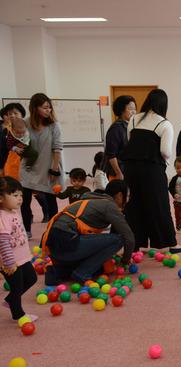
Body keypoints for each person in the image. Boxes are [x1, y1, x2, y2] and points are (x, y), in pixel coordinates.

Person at [121, 89, 181, 253]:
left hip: (130, 168)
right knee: (159, 205)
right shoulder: (164, 124)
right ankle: (169, 243)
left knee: (133, 205)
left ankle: (136, 243)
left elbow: (130, 141)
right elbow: (165, 152)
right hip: (152, 170)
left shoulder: (135, 119)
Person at [41, 180, 134, 286]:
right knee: (119, 240)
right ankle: (82, 273)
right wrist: (125, 260)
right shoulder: (109, 205)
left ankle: (58, 272)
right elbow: (129, 238)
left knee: (100, 268)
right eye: (128, 196)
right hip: (67, 243)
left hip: (54, 248)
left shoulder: (90, 200)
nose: (128, 199)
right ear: (119, 195)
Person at [20, 93, 64, 239]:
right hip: (29, 167)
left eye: (49, 108)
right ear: (35, 108)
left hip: (49, 167)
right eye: (45, 108)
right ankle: (26, 230)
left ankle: (53, 230)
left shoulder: (54, 125)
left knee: (51, 199)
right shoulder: (25, 123)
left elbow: (57, 149)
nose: (48, 110)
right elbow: (19, 143)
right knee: (24, 200)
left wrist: (54, 169)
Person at [0, 177, 38, 324]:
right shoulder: (3, 217)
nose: (20, 199)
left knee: (32, 278)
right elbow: (3, 242)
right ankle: (19, 315)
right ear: (1, 198)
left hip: (21, 257)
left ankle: (10, 300)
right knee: (17, 287)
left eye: (21, 195)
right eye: (15, 195)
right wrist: (9, 263)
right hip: (10, 261)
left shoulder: (13, 211)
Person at [103, 95, 136, 180]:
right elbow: (111, 154)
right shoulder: (116, 128)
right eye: (130, 109)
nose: (134, 112)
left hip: (127, 170)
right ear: (121, 110)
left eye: (134, 109)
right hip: (118, 172)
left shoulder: (129, 126)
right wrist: (118, 173)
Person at [0, 103, 27, 179]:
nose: (12, 115)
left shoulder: (30, 127)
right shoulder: (6, 131)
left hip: (29, 165)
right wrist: (1, 167)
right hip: (11, 165)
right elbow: (3, 150)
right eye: (10, 114)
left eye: (15, 113)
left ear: (22, 114)